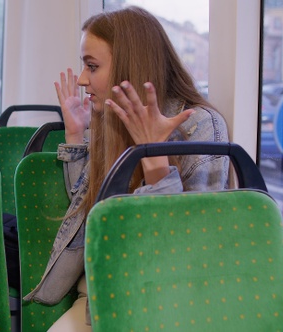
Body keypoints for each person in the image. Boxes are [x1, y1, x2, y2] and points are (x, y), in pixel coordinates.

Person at [22, 6, 230, 331]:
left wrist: (154, 157)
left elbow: (189, 245)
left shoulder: (201, 125)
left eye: (92, 66)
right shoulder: (110, 117)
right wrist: (76, 134)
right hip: (105, 286)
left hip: (165, 297)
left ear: (127, 67)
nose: (81, 79)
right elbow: (89, 207)